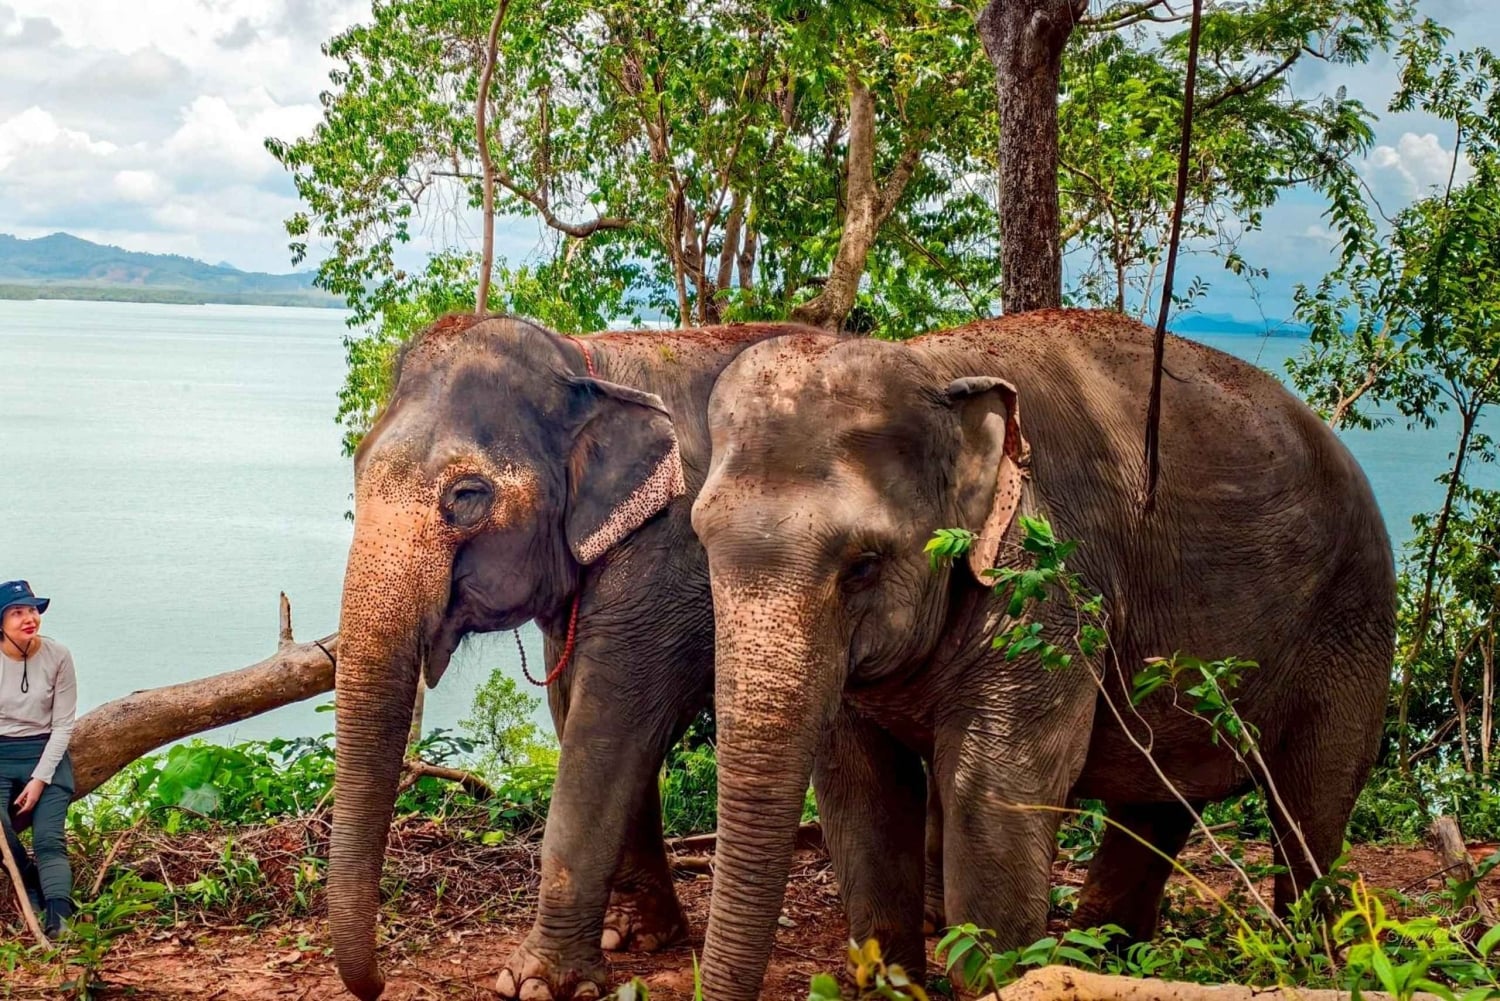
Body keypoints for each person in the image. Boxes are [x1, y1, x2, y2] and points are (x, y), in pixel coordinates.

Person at [0, 580, 76, 936]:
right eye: (17, 612)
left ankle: (58, 915)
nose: (29, 618)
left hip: (45, 752)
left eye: (32, 610)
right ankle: (27, 877)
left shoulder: (58, 655)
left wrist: (40, 778)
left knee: (49, 839)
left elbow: (63, 725)